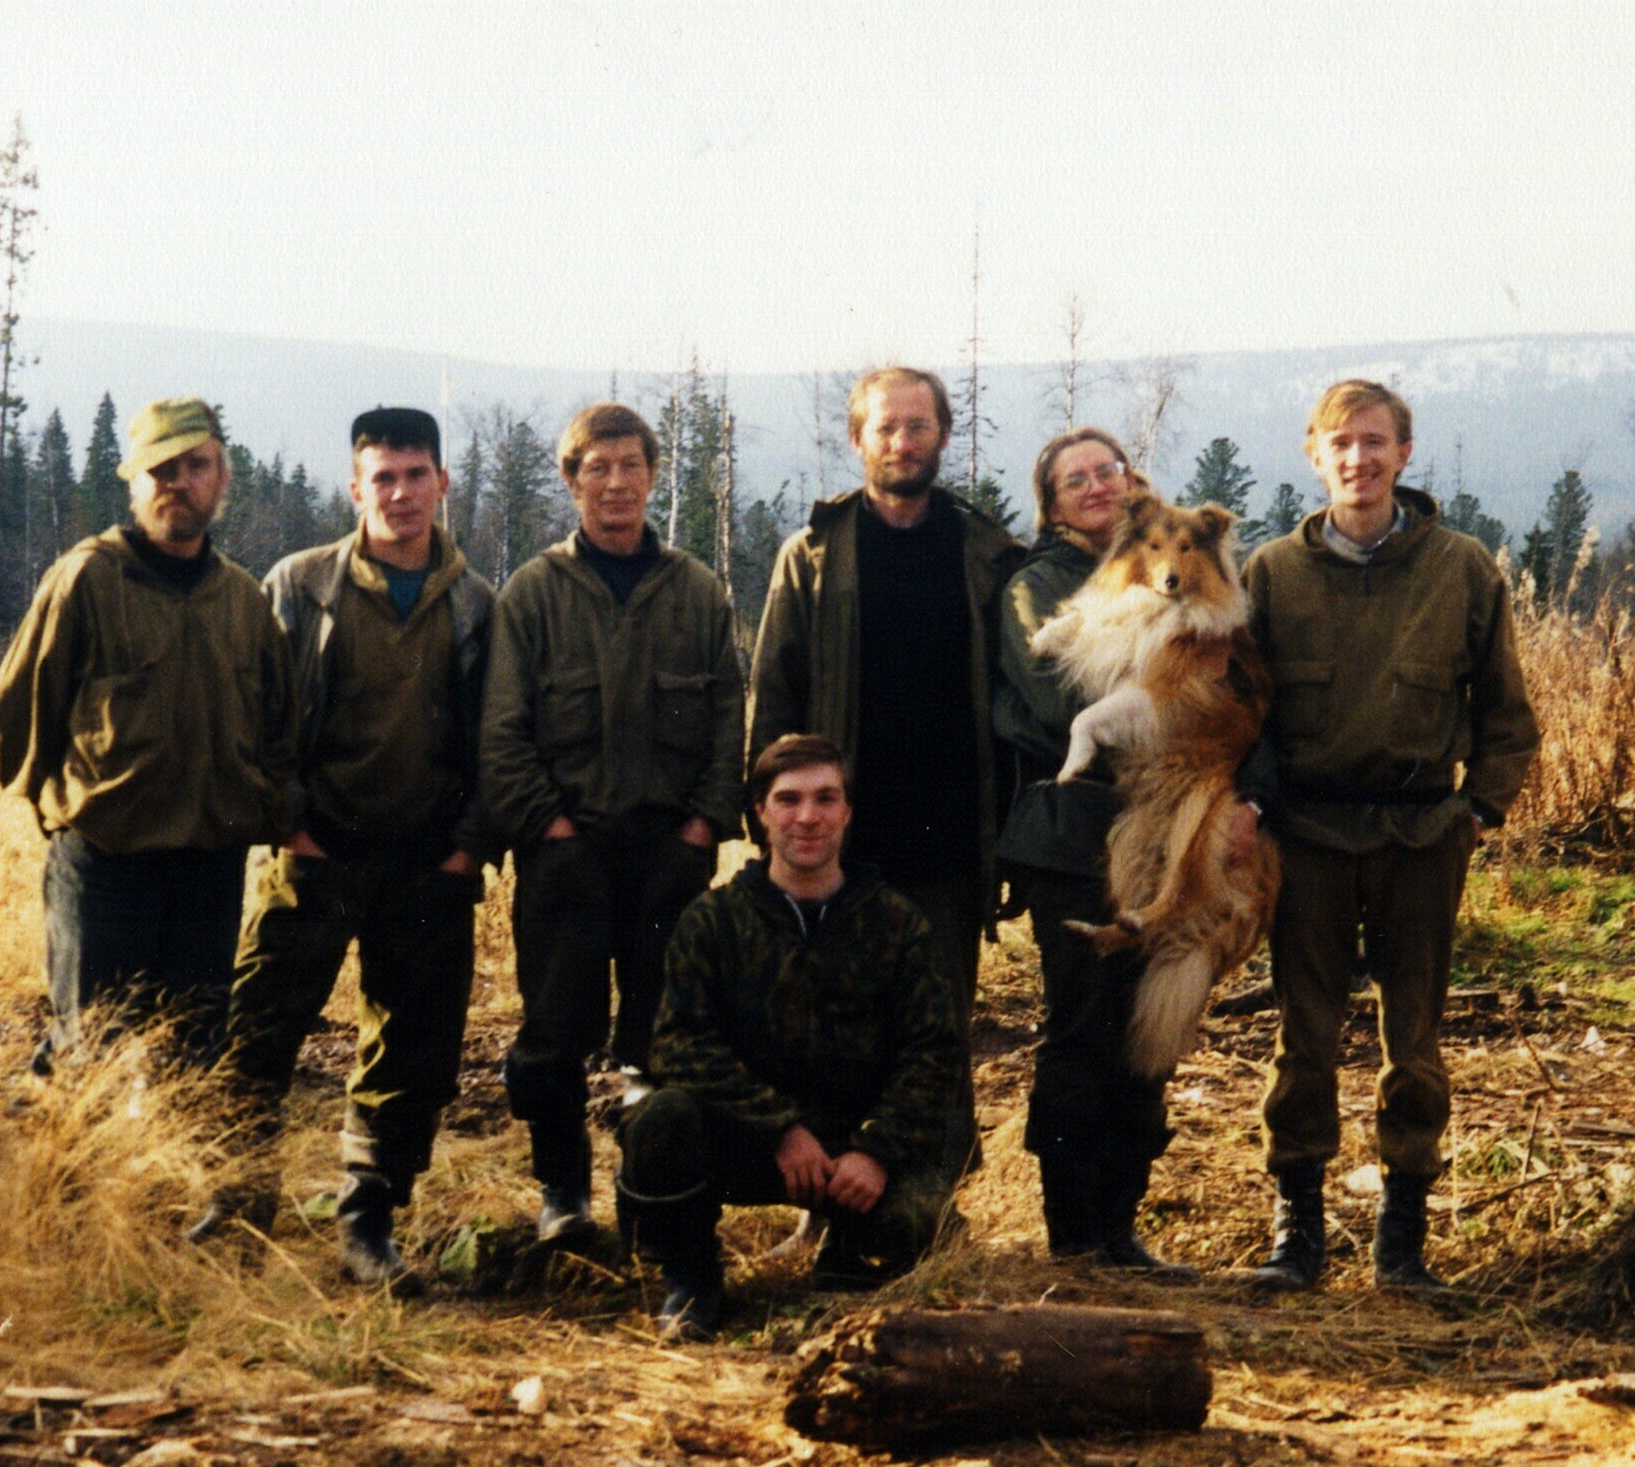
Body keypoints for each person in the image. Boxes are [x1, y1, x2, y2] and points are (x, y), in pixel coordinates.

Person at [1238, 380, 1538, 1292]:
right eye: (1341, 444)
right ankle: (1299, 1235)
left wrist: (1480, 811)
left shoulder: (1461, 568)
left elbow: (1508, 714)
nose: (1358, 460)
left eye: (1375, 443)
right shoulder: (1271, 575)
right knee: (1304, 1036)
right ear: (1314, 456)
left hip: (1420, 836)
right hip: (1309, 834)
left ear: (1404, 455)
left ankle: (1402, 1240)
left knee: (1415, 1038)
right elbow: (1240, 713)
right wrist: (1248, 811)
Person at [199, 407, 495, 1288]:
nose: (401, 494)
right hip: (317, 849)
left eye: (417, 475)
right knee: (259, 1027)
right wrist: (289, 822)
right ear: (355, 486)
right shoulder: (300, 585)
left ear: (443, 483)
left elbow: (498, 735)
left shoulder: (477, 605)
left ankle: (369, 1219)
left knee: (412, 1051)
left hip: (426, 860)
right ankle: (237, 1198)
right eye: (384, 477)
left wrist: (467, 848)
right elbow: (257, 717)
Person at [747, 366, 1021, 1177]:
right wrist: (766, 816)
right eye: (887, 428)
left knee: (936, 1025)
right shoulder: (815, 556)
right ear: (857, 437)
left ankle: (930, 1199)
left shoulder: (986, 556)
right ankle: (824, 1194)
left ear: (943, 435)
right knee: (822, 1023)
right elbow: (774, 690)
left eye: (920, 426)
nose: (904, 442)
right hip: (836, 837)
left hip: (947, 838)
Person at [482, 402, 744, 1245]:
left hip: (669, 857)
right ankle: (564, 1199)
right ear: (571, 481)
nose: (617, 482)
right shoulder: (532, 594)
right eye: (598, 467)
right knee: (554, 1038)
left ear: (653, 475)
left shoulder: (697, 592)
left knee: (661, 1039)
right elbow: (502, 728)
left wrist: (703, 829)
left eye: (632, 465)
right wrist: (549, 833)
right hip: (565, 857)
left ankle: (649, 1199)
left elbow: (727, 723)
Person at [616, 734, 961, 1342]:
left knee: (921, 1223)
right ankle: (693, 1281)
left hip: (851, 1148)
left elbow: (932, 1056)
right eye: (790, 799)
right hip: (748, 1142)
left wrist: (876, 1151)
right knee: (659, 1122)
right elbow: (679, 1046)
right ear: (761, 812)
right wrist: (778, 1127)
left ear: (848, 812)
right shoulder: (715, 919)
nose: (808, 817)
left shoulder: (897, 923)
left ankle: (846, 1260)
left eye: (826, 799)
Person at [0, 397, 295, 1074]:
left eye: (196, 464)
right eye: (161, 468)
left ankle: (166, 1184)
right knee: (85, 1052)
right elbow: (16, 711)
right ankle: (69, 1181)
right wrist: (63, 813)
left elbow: (278, 729)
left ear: (222, 477)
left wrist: (257, 810)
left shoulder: (243, 602)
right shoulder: (86, 579)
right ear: (135, 481)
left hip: (209, 872)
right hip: (105, 867)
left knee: (191, 1054)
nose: (178, 481)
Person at [993, 427, 1192, 1276]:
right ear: (1051, 502)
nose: (1095, 486)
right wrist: (1170, 694)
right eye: (1075, 479)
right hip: (1074, 835)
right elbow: (1061, 693)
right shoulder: (1036, 587)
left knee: (1151, 1024)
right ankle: (1074, 1233)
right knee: (1082, 1024)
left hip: (1168, 835)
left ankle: (1122, 1223)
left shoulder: (1169, 563)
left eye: (1106, 470)